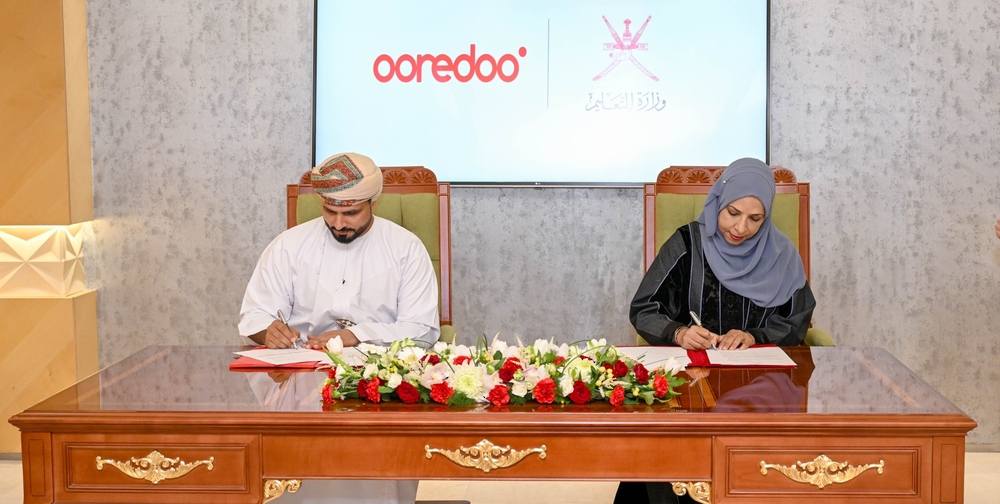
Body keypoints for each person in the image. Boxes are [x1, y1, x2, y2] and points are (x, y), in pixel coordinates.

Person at [238, 152, 440, 504]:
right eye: (329, 211)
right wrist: (268, 329)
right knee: (296, 454)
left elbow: (421, 328)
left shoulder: (406, 248)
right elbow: (254, 313)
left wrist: (354, 336)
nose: (338, 222)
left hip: (379, 373)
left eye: (351, 213)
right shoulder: (289, 245)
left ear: (374, 202)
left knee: (377, 462)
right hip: (301, 377)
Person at [617, 158, 816, 504]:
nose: (741, 228)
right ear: (717, 203)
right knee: (666, 449)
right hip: (690, 384)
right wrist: (678, 332)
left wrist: (755, 335)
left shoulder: (781, 254)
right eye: (732, 213)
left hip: (761, 386)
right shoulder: (686, 242)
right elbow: (644, 308)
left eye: (755, 219)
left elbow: (797, 317)